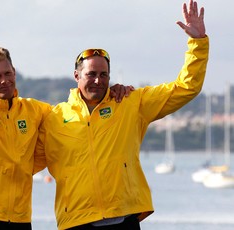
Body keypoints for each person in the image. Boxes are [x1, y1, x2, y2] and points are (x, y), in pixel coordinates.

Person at [0, 4, 133, 230]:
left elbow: (71, 117)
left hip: (19, 218)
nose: (4, 80)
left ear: (15, 72)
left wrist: (109, 92)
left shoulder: (35, 110)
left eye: (8, 73)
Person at [34, 0, 209, 229]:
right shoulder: (53, 118)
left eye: (104, 74)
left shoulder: (129, 103)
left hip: (124, 219)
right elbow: (21, 160)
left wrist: (197, 43)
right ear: (76, 76)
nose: (98, 80)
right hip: (76, 222)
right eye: (91, 74)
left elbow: (186, 88)